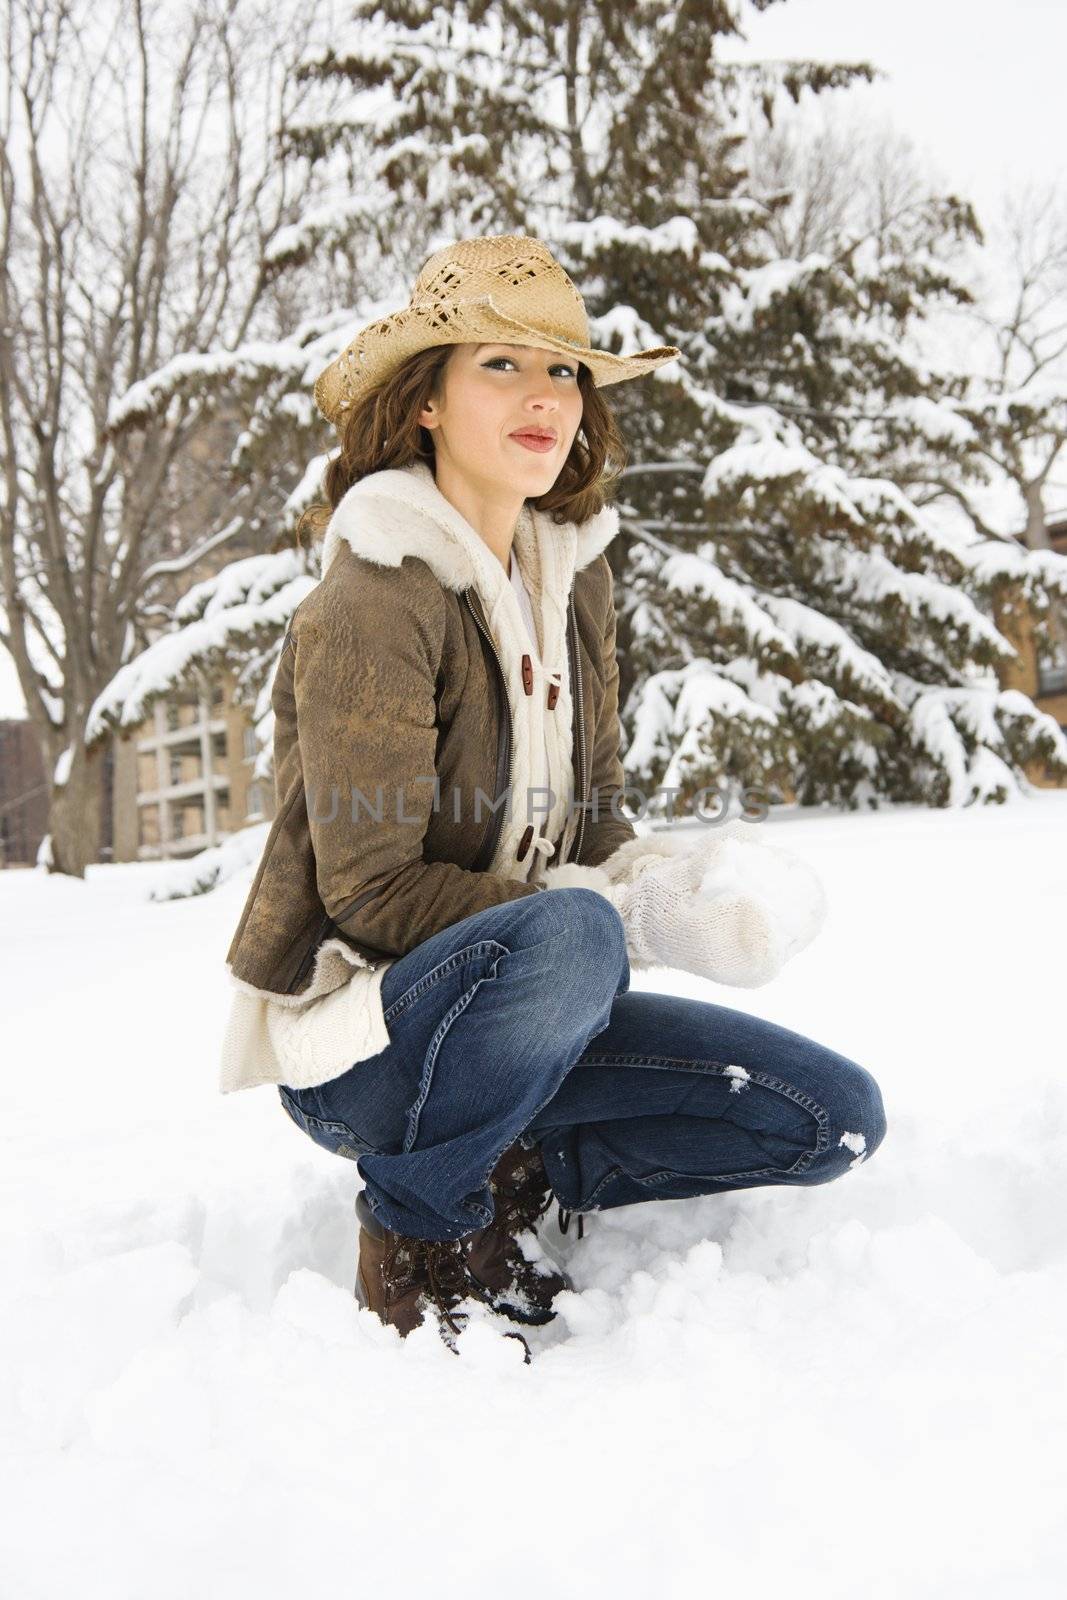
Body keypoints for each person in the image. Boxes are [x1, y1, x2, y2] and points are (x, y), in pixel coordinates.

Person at [220, 233, 887, 1357]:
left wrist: (680, 898)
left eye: (566, 370)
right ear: (423, 400)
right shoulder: (374, 594)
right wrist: (602, 919)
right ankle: (418, 1219)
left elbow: (594, 830)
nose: (546, 397)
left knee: (831, 1117)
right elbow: (372, 891)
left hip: (537, 1010)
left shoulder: (573, 580)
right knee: (574, 930)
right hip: (372, 1051)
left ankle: (513, 1163)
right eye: (501, 365)